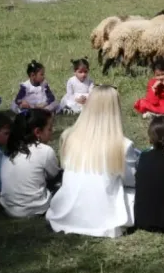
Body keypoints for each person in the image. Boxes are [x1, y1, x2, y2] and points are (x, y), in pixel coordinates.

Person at [45, 85, 140, 238]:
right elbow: (132, 181)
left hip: (67, 212)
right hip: (104, 219)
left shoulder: (68, 136)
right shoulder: (123, 145)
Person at [0, 109, 62, 217]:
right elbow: (54, 176)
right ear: (37, 132)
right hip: (36, 208)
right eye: (50, 128)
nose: (52, 131)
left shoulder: (8, 151)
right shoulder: (45, 150)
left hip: (9, 209)